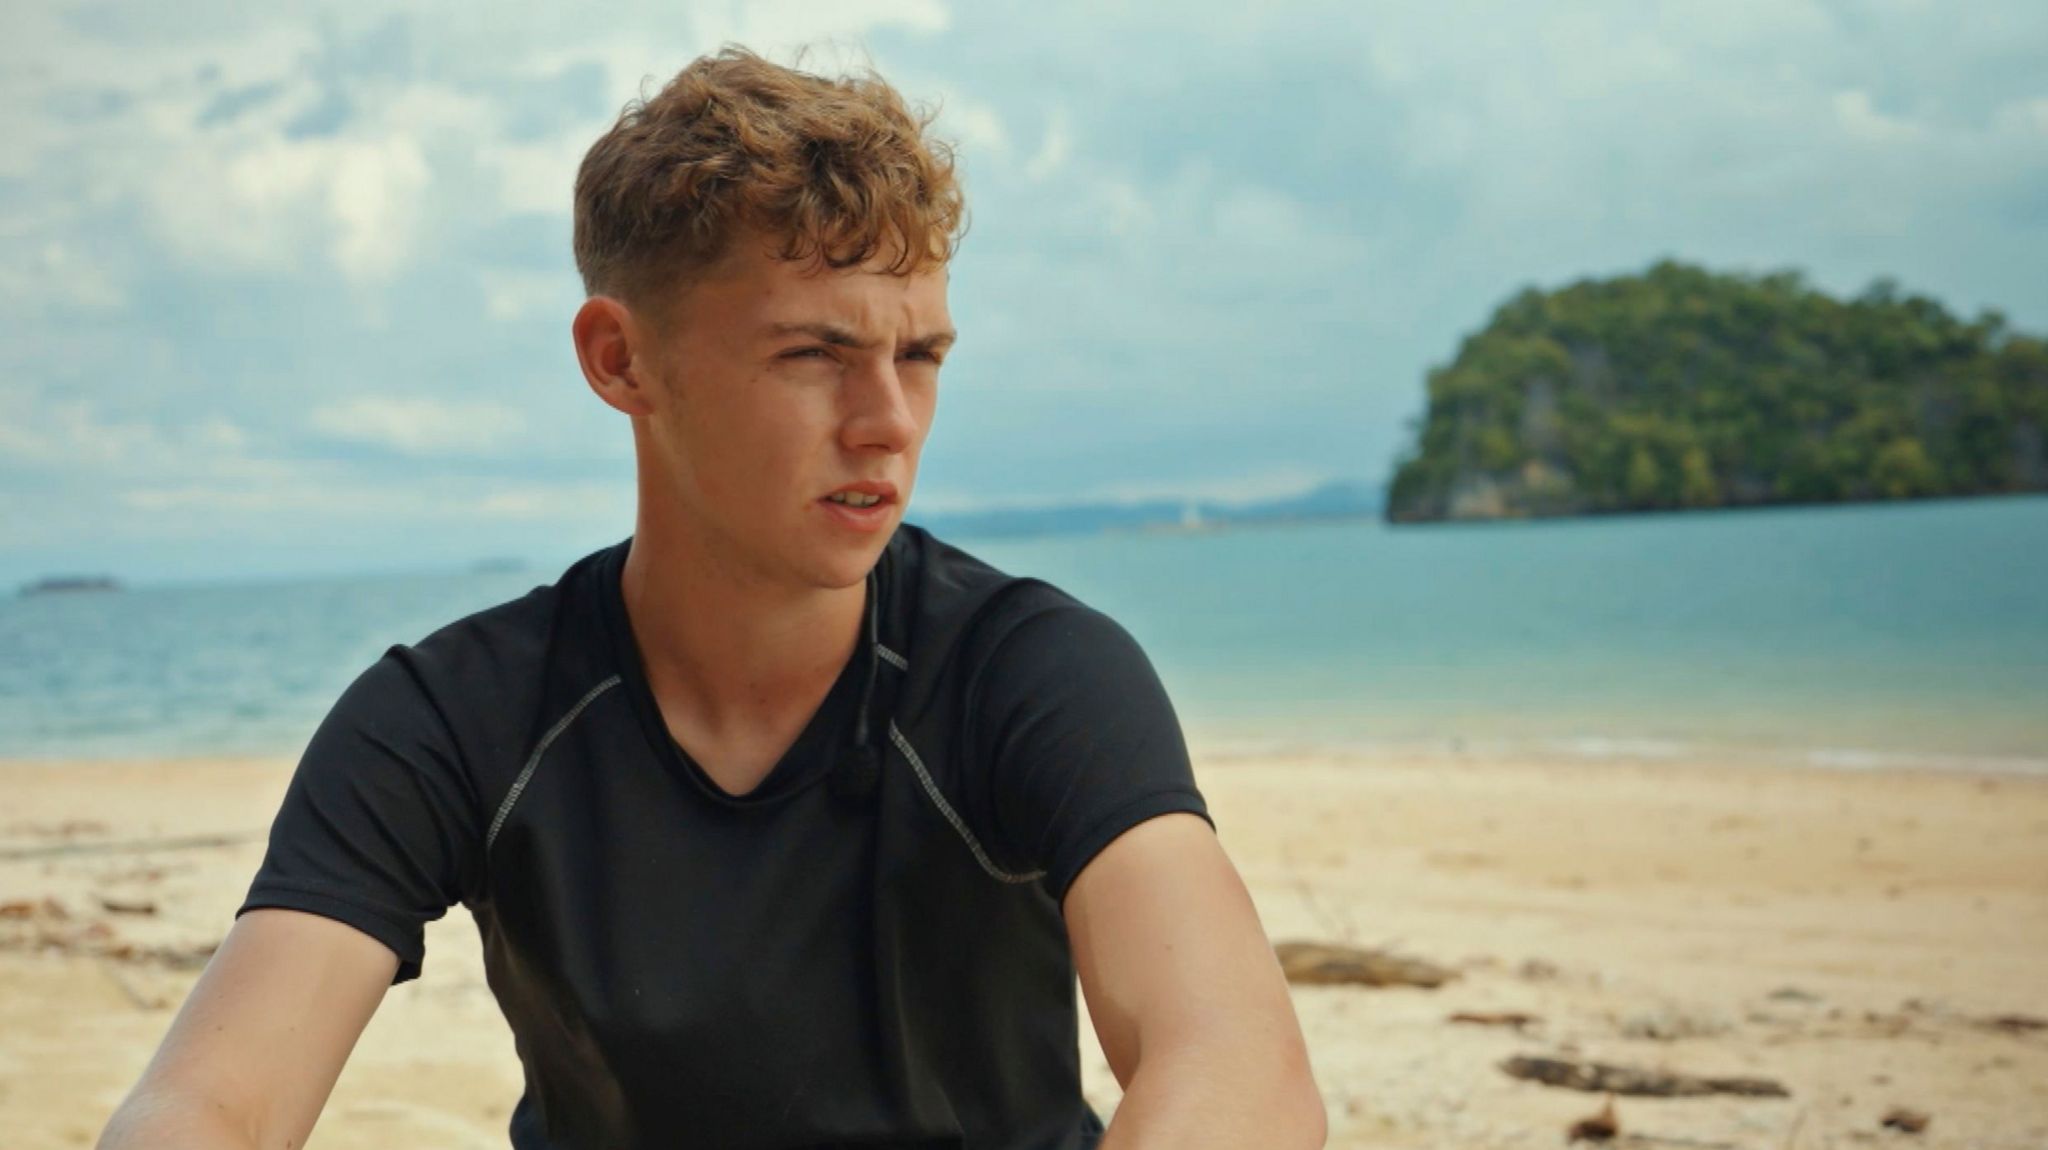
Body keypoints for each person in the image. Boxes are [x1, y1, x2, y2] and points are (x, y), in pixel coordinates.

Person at [98, 46, 1325, 1150]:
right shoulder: (451, 717)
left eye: (918, 354)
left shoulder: (1026, 670)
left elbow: (1235, 1068)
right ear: (621, 360)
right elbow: (213, 1102)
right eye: (814, 354)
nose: (887, 422)